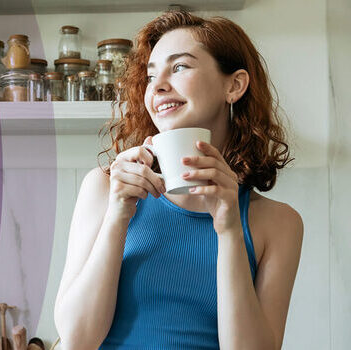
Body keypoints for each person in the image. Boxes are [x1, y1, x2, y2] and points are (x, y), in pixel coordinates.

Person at [53, 11, 303, 349]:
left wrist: (228, 229)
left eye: (180, 67)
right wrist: (117, 216)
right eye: (151, 74)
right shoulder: (104, 188)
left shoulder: (279, 223)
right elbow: (76, 340)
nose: (157, 86)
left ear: (235, 85)